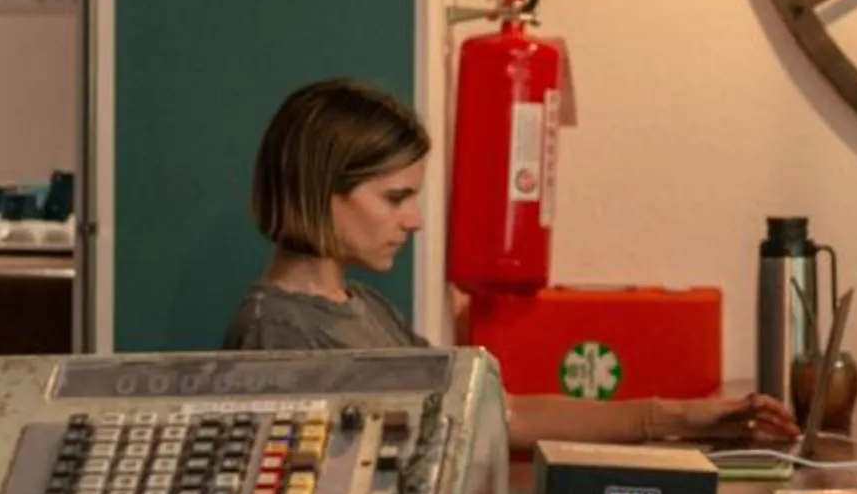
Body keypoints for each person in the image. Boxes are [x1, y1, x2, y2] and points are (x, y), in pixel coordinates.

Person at [226, 77, 799, 451]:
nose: (416, 220)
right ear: (322, 190)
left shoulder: (363, 307)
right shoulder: (278, 333)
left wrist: (685, 419)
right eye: (395, 198)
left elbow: (500, 413)